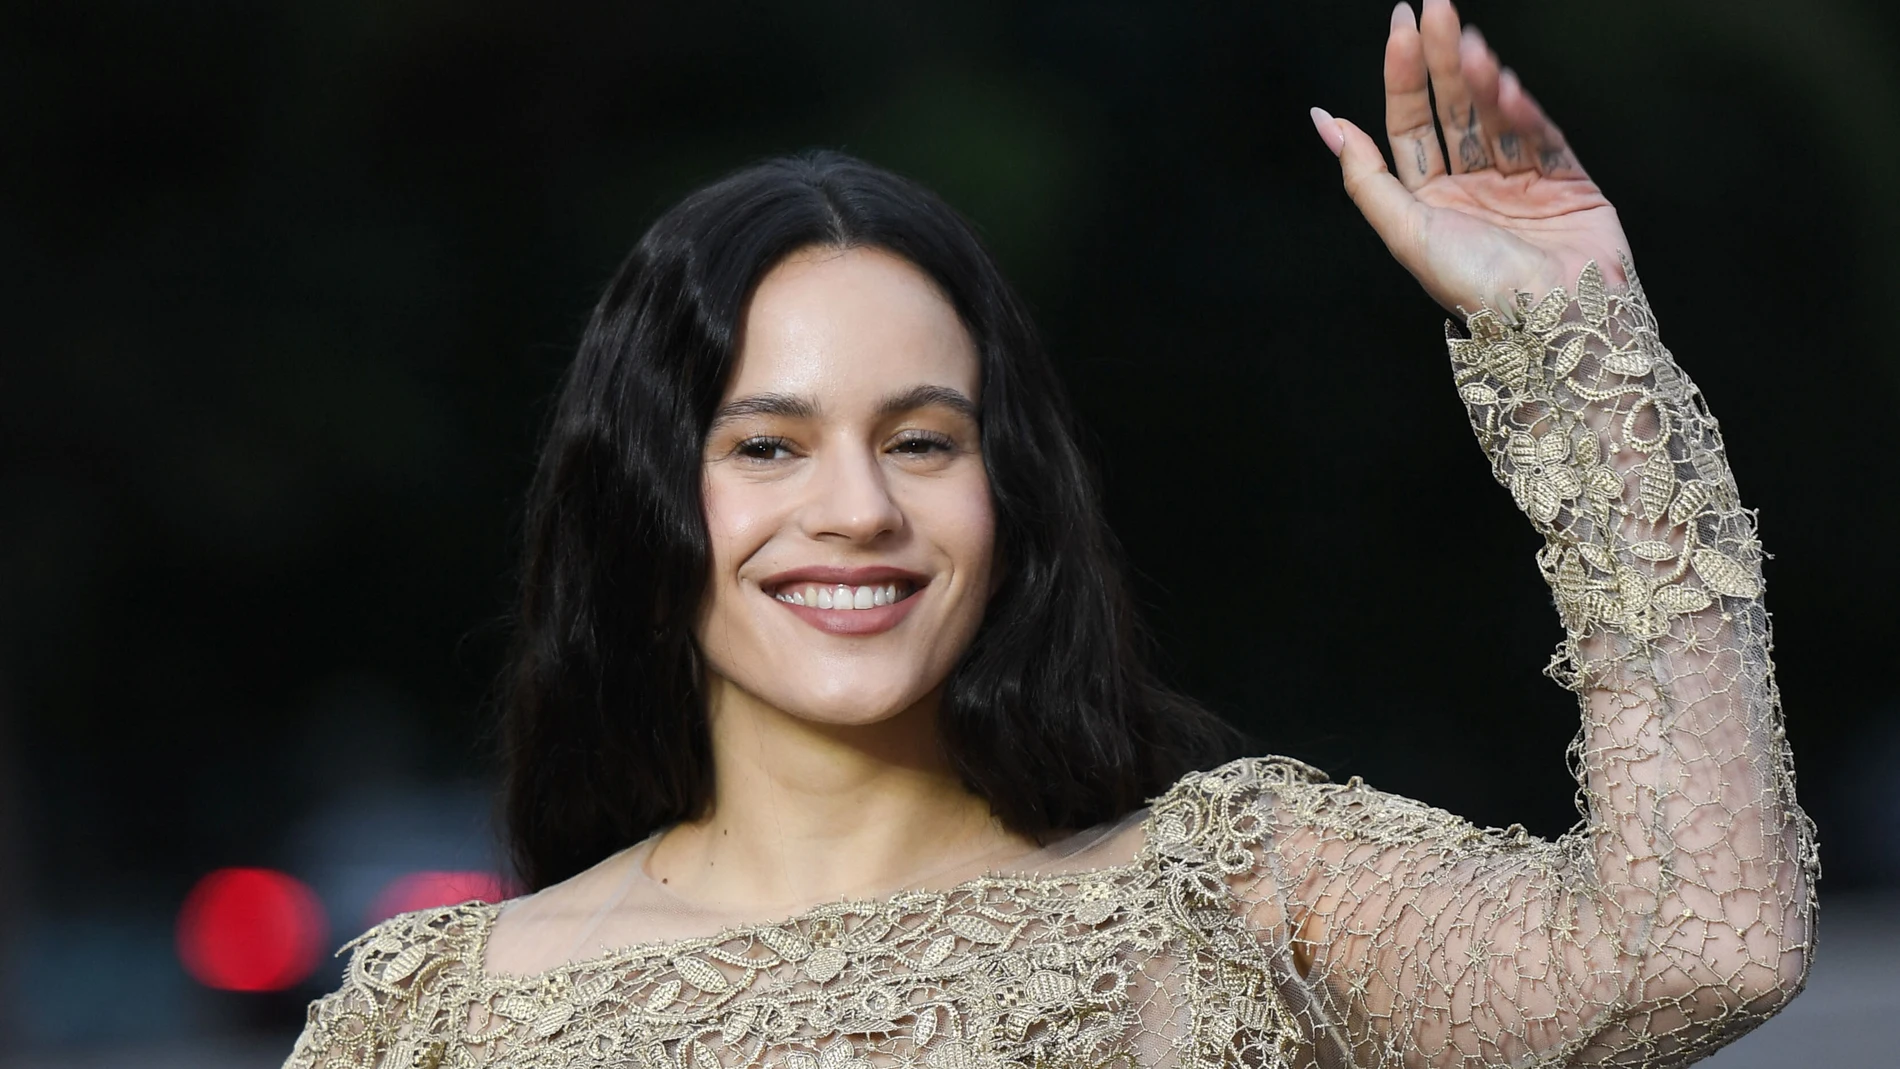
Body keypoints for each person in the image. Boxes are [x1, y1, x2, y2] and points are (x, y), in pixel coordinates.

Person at [285, 2, 1816, 1066]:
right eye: (768, 444)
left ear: (1007, 493)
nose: (858, 509)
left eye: (921, 440)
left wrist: (1585, 356)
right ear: (643, 503)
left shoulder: (1233, 902)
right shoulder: (442, 1021)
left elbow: (1708, 947)